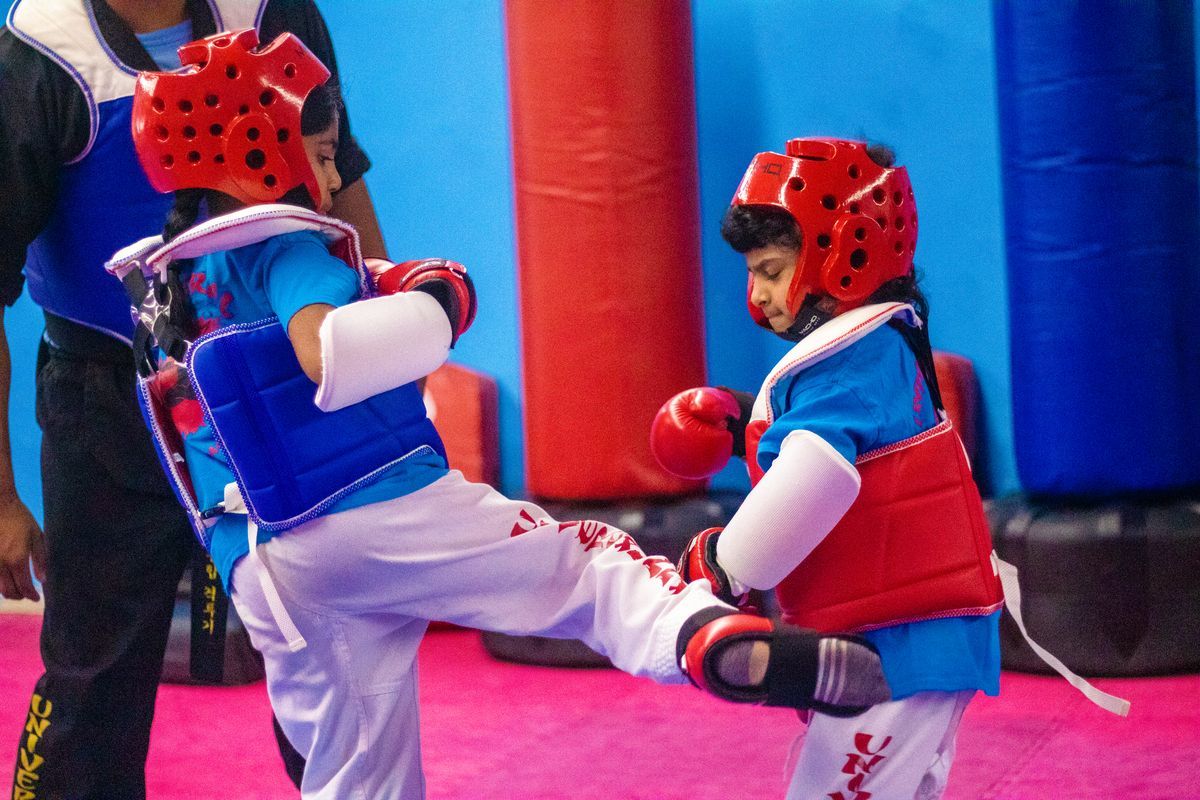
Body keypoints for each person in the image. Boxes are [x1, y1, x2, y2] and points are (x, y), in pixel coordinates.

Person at [107, 33, 892, 800]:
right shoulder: (290, 247)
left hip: (265, 569)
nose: (331, 175)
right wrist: (438, 305)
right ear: (257, 152)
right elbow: (326, 353)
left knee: (359, 777)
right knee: (583, 565)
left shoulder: (171, 277)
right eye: (319, 154)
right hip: (372, 508)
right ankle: (702, 636)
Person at [0, 1, 379, 795]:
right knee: (93, 679)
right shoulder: (41, 53)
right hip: (106, 406)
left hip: (277, 390)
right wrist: (0, 499)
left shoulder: (271, 12)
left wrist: (383, 352)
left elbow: (338, 179)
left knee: (333, 662)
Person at [650, 138, 1005, 800]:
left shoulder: (850, 360)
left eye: (772, 270)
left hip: (900, 643)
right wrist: (745, 424)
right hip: (916, 632)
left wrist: (722, 565)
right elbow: (859, 450)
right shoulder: (879, 343)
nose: (758, 294)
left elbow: (817, 476)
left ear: (841, 256)